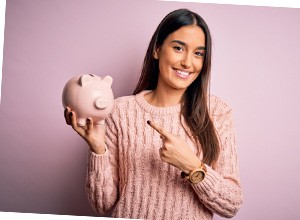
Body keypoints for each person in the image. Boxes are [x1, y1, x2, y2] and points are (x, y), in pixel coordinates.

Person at [64, 8, 243, 220]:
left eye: (198, 53)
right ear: (157, 49)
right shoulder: (120, 112)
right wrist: (97, 149)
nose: (187, 62)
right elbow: (102, 205)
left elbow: (231, 205)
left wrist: (192, 166)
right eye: (178, 48)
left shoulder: (217, 113)